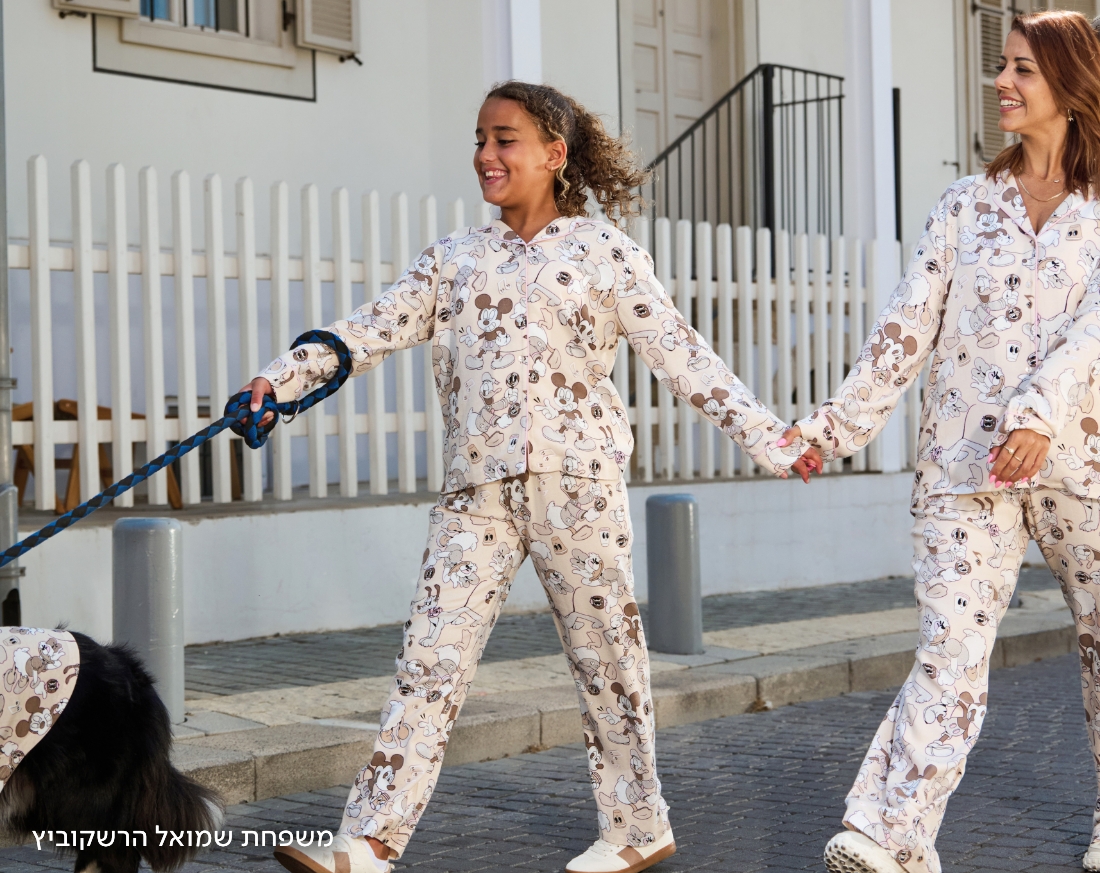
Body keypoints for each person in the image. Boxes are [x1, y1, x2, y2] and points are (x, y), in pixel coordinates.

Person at [249, 82, 820, 873]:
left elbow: (683, 357)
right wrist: (279, 382)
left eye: (504, 139)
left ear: (554, 154)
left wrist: (774, 439)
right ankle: (370, 841)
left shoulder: (604, 252)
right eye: (479, 138)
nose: (486, 155)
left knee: (606, 660)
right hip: (475, 492)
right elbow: (367, 331)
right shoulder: (453, 259)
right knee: (430, 659)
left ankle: (636, 825)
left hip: (577, 486)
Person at [781, 10, 1100, 873]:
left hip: (1085, 466)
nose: (1001, 81)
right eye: (1002, 66)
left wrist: (1039, 411)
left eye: (1024, 70)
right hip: (966, 466)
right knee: (950, 653)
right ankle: (890, 836)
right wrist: (833, 427)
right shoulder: (964, 205)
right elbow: (903, 331)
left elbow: (1093, 329)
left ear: (1071, 87)